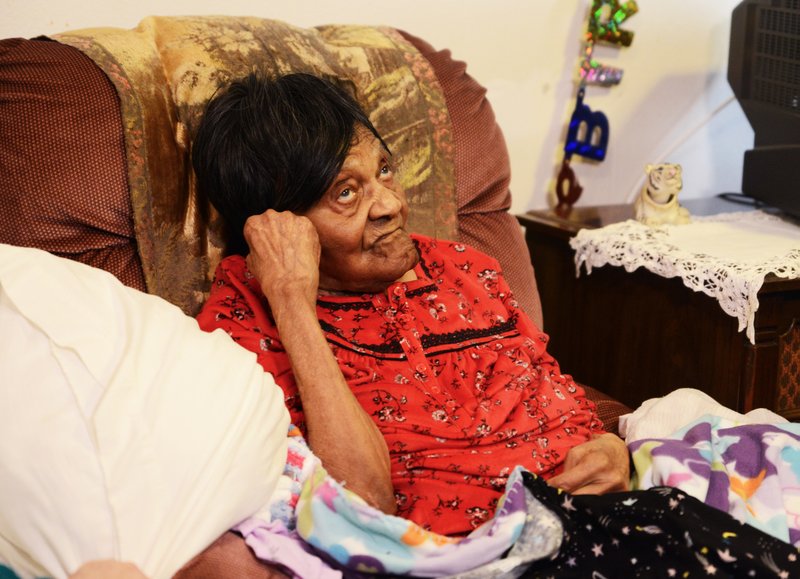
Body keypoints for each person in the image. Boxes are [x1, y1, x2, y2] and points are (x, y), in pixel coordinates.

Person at [192, 72, 629, 537]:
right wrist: (293, 301)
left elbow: (558, 393)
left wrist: (608, 448)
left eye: (383, 170)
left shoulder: (464, 267)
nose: (390, 205)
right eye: (345, 192)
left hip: (593, 523)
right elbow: (362, 504)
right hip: (462, 559)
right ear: (277, 225)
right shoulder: (243, 320)